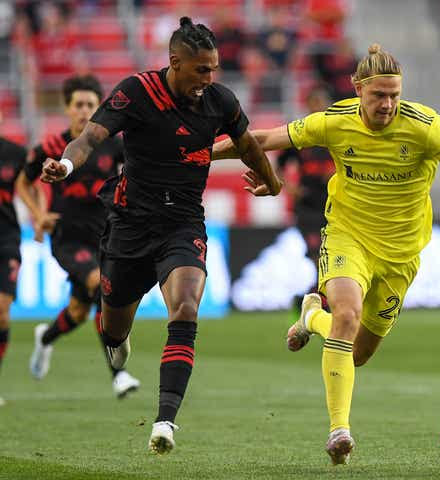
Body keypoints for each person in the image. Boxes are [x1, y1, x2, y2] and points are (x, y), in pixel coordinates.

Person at [213, 44, 440, 465]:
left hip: (400, 257)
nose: (388, 104)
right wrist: (195, 155)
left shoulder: (426, 127)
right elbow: (262, 138)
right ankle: (339, 431)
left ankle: (311, 317)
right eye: (378, 95)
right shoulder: (334, 122)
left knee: (357, 353)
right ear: (358, 90)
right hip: (347, 237)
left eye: (394, 94)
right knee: (348, 317)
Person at [38, 17, 282, 454]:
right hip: (129, 226)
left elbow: (248, 145)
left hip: (183, 224)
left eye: (214, 69)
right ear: (175, 63)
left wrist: (273, 181)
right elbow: (90, 138)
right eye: (201, 70)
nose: (210, 79)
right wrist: (66, 166)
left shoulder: (220, 101)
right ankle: (116, 341)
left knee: (186, 308)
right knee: (113, 332)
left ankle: (165, 421)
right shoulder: (136, 92)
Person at [16, 75, 141, 398]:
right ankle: (119, 374)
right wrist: (39, 214)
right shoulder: (51, 148)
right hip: (68, 239)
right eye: (78, 105)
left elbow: (137, 173)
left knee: (77, 311)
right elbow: (23, 182)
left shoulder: (111, 144)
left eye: (90, 104)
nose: (85, 111)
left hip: (106, 235)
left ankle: (45, 338)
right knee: (101, 286)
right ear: (67, 108)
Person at [275, 85, 334, 320]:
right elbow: (277, 167)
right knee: (318, 257)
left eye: (322, 103)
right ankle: (316, 303)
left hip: (335, 209)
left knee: (329, 260)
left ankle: (308, 300)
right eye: (315, 103)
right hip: (308, 209)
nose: (318, 107)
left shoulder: (337, 135)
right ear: (308, 106)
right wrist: (290, 189)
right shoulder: (300, 135)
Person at [0, 132, 27, 407]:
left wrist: (40, 214)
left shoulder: (15, 153)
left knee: (2, 311)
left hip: (6, 239)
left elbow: (28, 187)